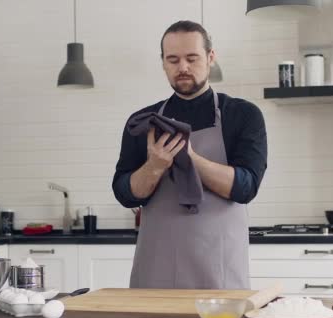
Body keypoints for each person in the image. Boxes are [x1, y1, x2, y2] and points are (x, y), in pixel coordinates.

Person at [112, 20, 267, 289]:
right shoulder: (142, 121)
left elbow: (245, 186)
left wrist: (190, 158)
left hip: (219, 269)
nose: (182, 67)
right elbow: (124, 193)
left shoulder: (242, 115)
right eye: (173, 60)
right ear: (163, 63)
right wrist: (155, 166)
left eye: (191, 58)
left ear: (210, 58)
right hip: (156, 267)